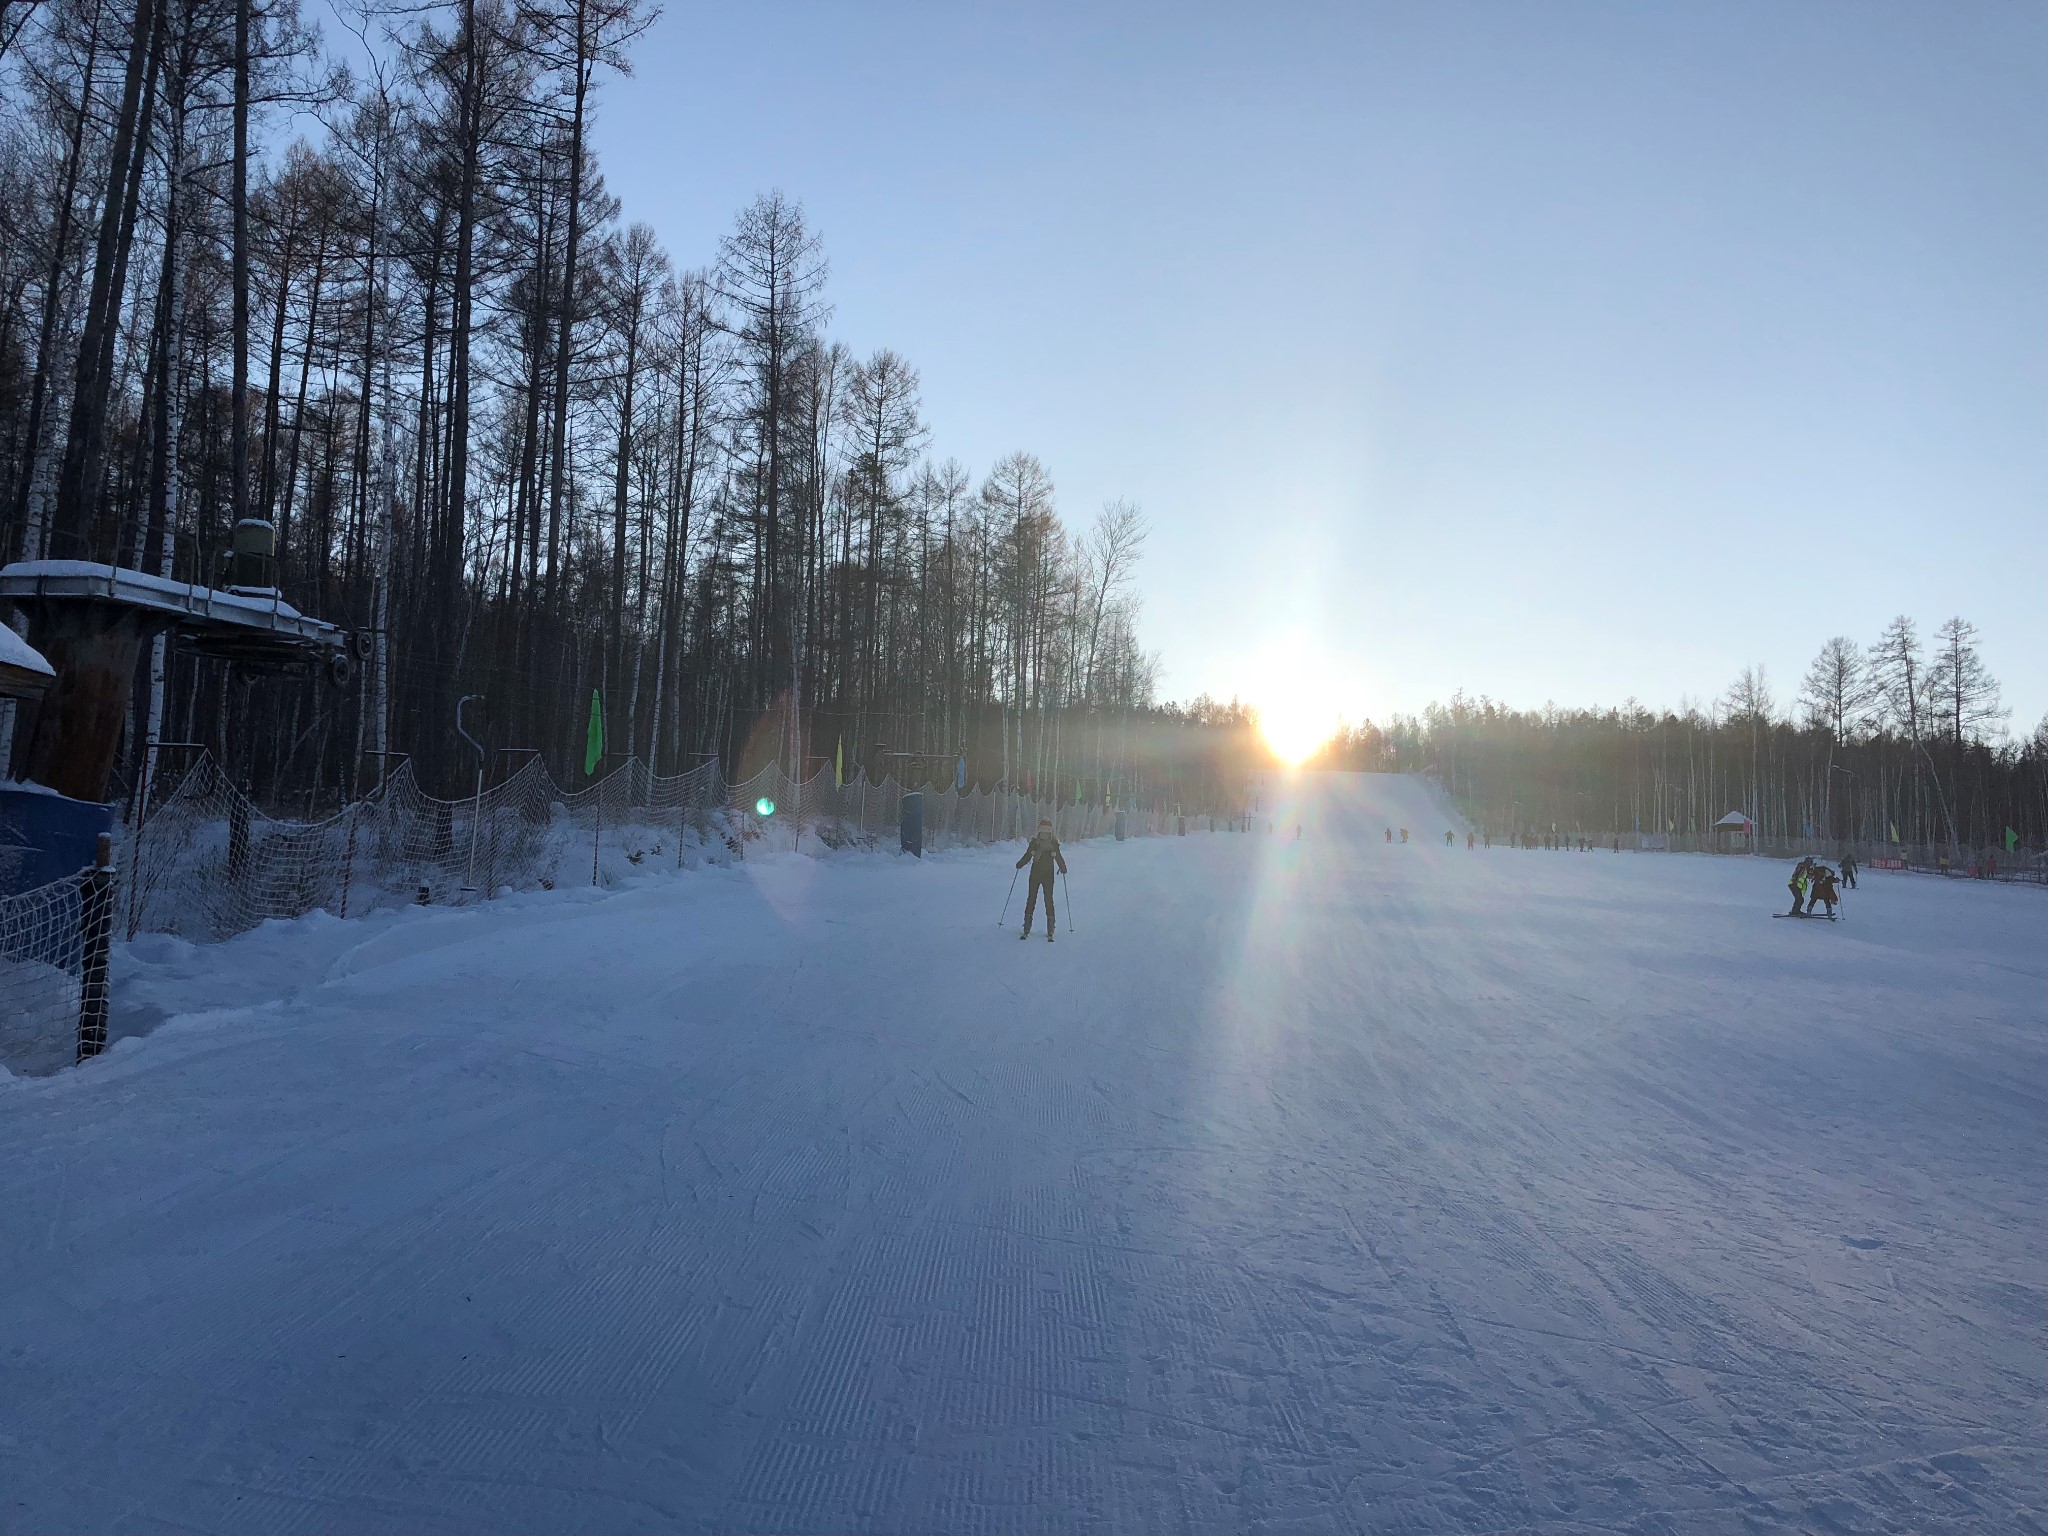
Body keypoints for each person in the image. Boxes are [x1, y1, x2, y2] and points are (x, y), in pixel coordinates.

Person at [1016, 817, 1067, 941]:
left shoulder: (1054, 844)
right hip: (1035, 874)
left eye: (1046, 832)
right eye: (1042, 832)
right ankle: (1026, 927)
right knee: (1031, 899)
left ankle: (1050, 928)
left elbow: (1058, 856)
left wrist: (1063, 866)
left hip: (1048, 875)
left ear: (1050, 833)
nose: (1044, 834)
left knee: (1048, 900)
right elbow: (1028, 855)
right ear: (1039, 832)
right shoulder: (1034, 843)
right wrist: (1021, 863)